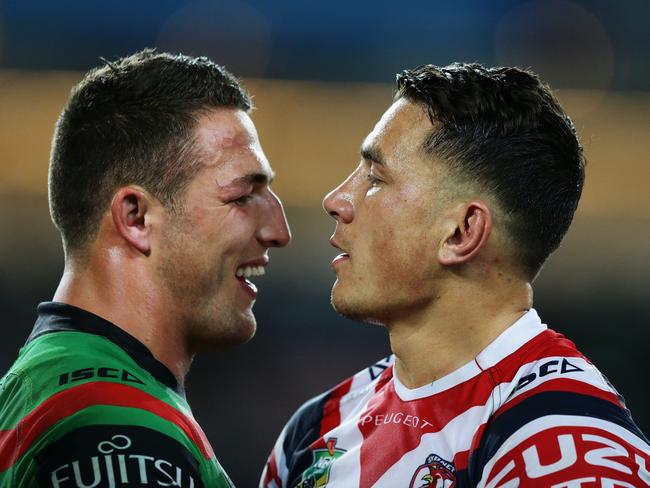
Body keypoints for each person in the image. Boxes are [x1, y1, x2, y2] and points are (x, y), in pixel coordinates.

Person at [261, 63, 650, 487]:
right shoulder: (315, 430)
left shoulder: (565, 444)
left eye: (375, 178)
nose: (336, 200)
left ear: (462, 232)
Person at [0, 49, 291, 487]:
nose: (278, 230)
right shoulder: (115, 427)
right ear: (135, 217)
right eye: (241, 197)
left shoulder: (46, 388)